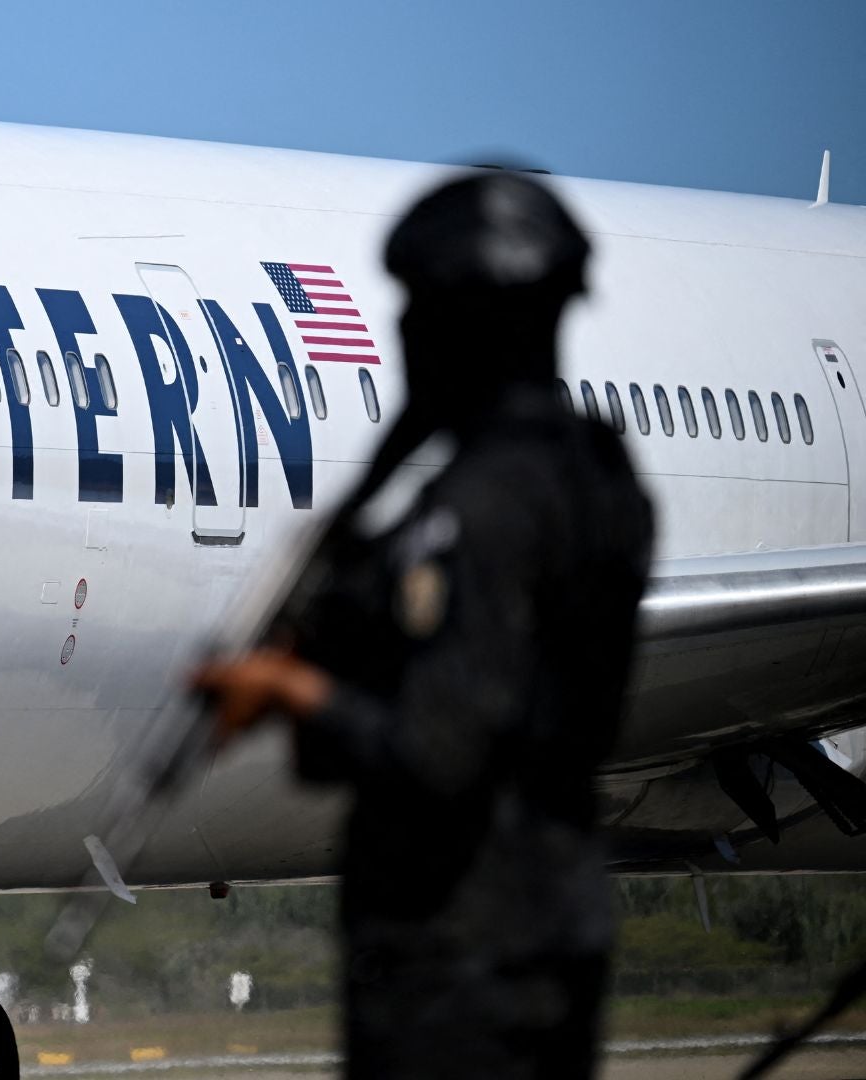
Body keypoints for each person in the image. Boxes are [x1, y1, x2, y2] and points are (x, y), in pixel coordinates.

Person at [192, 172, 653, 1079]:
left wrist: (298, 692)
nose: (402, 332)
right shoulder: (597, 480)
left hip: (461, 952)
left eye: (420, 311)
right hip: (549, 924)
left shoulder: (483, 506)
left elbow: (441, 751)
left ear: (460, 329)